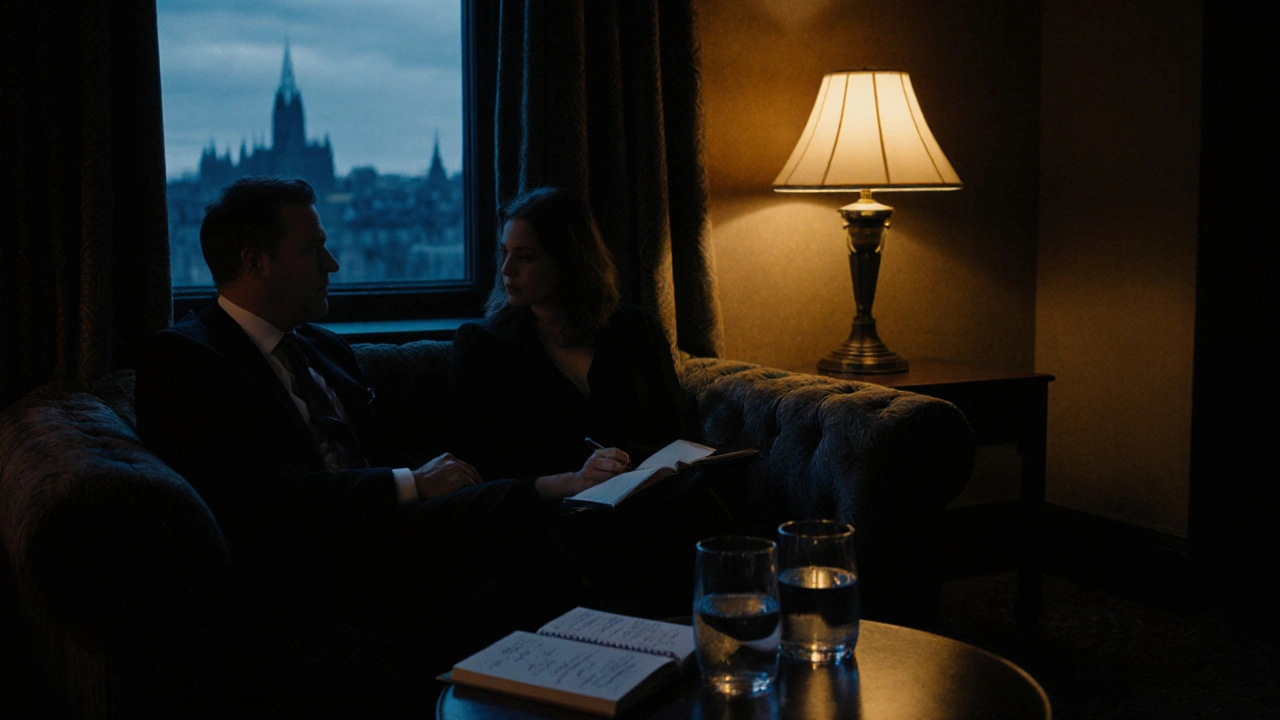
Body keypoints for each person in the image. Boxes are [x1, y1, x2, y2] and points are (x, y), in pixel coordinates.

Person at [134, 178, 589, 690]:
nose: (332, 264)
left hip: (396, 534)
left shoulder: (324, 347)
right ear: (256, 262)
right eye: (313, 249)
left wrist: (437, 478)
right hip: (318, 560)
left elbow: (384, 448)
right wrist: (411, 483)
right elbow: (256, 494)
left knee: (535, 542)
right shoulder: (184, 358)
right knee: (527, 526)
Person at [449, 186, 739, 617]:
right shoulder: (482, 346)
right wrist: (576, 480)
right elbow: (482, 473)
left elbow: (678, 430)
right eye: (505, 253)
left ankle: (734, 624)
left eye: (525, 257)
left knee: (702, 502)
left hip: (650, 502)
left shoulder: (635, 330)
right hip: (554, 518)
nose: (506, 270)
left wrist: (646, 467)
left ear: (569, 261)